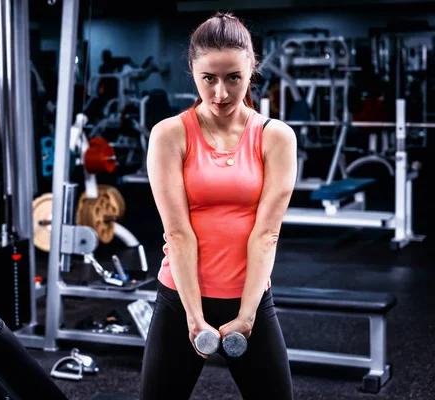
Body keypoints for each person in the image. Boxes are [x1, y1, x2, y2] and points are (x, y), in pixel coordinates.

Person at [140, 12, 297, 400]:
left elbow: (266, 233)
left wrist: (247, 315)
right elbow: (177, 233)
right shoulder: (170, 134)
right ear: (193, 71)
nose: (221, 94)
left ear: (251, 70)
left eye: (233, 78)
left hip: (252, 299)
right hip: (181, 298)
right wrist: (194, 317)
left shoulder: (274, 137)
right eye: (209, 78)